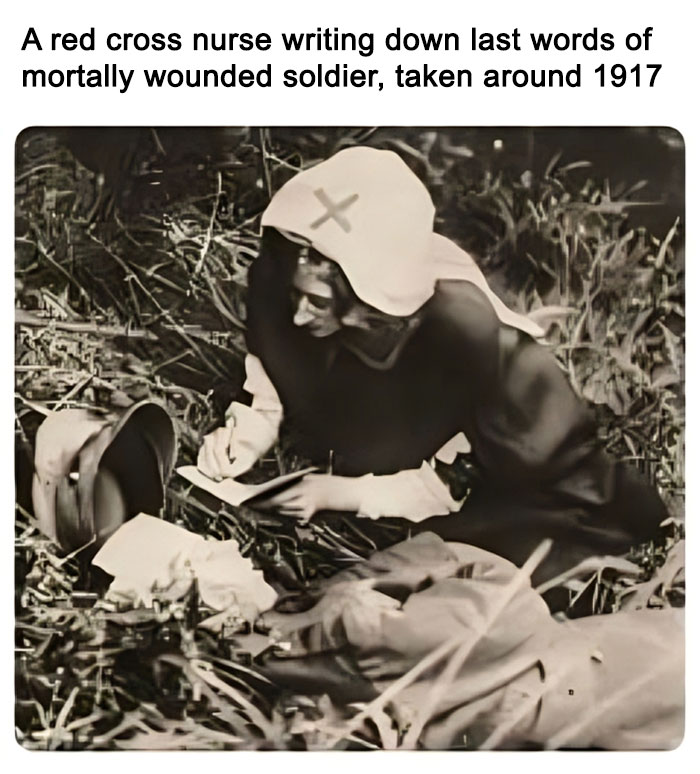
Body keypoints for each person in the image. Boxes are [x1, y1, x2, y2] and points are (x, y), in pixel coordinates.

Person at [198, 146, 666, 585]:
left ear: (373, 302)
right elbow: (272, 376)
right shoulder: (288, 288)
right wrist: (244, 438)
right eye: (297, 294)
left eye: (320, 302)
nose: (299, 316)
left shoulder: (468, 341)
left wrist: (340, 494)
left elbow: (467, 474)